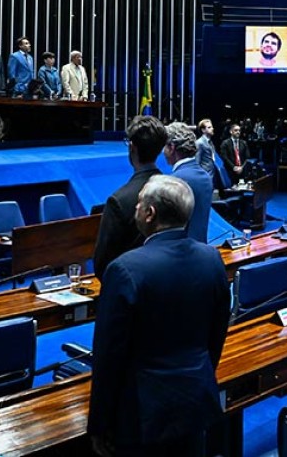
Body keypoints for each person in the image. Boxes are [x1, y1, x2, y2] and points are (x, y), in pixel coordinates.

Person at [87, 175, 229, 456]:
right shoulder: (211, 258)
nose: (136, 208)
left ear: (149, 213)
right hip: (195, 399)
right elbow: (217, 333)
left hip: (142, 414)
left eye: (139, 203)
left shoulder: (124, 269)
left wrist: (99, 424)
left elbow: (108, 354)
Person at [93, 115, 167, 278]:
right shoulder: (175, 191)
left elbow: (102, 265)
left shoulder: (119, 201)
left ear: (132, 147)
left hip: (131, 286)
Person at [163, 122, 213, 244]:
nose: (163, 152)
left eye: (164, 146)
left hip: (180, 250)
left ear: (171, 148)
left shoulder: (175, 181)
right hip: (200, 247)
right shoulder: (205, 176)